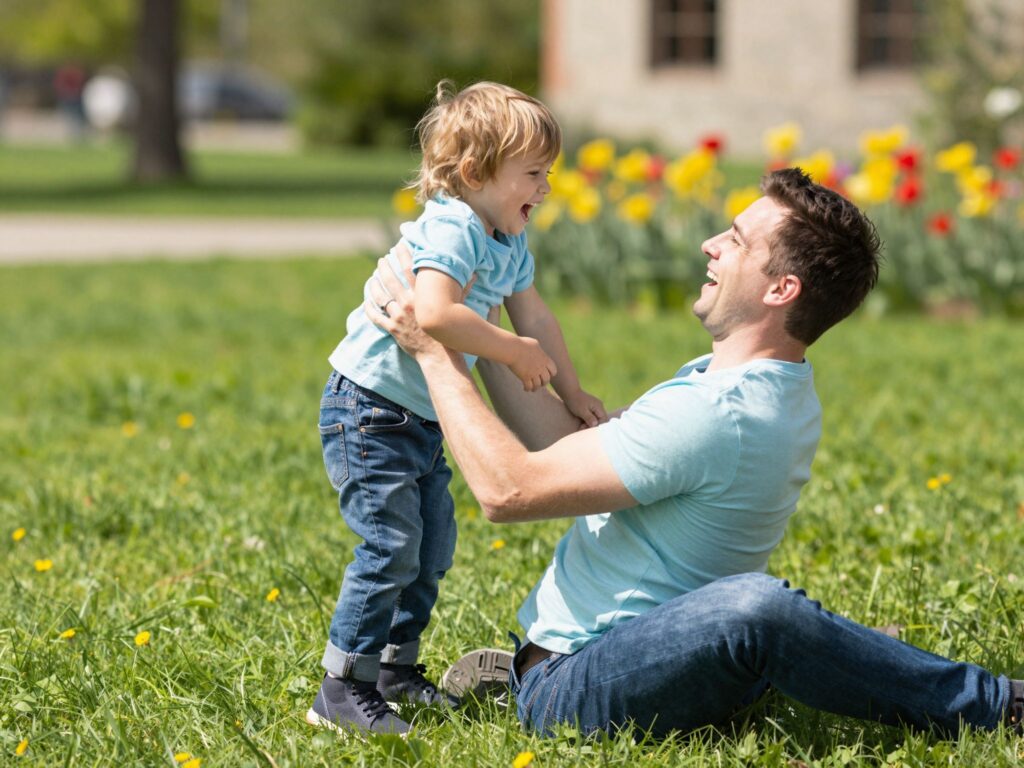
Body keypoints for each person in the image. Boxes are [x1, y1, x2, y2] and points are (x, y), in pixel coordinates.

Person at [365, 167, 1024, 738]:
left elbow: (508, 493)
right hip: (623, 659)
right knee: (749, 608)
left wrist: (435, 353)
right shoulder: (749, 385)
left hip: (568, 691)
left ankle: (995, 707)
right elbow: (567, 449)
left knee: (756, 610)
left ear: (780, 289)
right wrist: (473, 325)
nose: (710, 245)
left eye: (736, 241)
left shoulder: (722, 413)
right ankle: (518, 670)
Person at [307, 80, 605, 736]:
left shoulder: (506, 240)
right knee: (391, 544)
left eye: (547, 173)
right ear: (475, 173)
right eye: (532, 173)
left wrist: (571, 392)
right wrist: (512, 348)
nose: (545, 187)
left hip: (418, 418)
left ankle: (394, 670)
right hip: (370, 409)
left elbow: (538, 316)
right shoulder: (454, 226)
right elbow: (435, 314)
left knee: (431, 545)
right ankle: (340, 685)